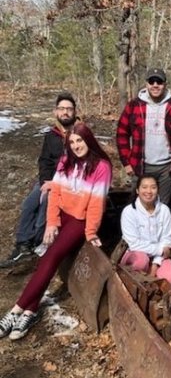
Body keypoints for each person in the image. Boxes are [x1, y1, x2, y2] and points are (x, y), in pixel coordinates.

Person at [0, 123, 112, 340]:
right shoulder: (65, 161)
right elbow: (55, 195)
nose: (76, 146)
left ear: (88, 139)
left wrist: (90, 233)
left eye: (79, 140)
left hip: (79, 219)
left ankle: (15, 310)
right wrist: (52, 222)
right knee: (46, 261)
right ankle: (30, 312)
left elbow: (97, 204)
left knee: (50, 257)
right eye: (72, 142)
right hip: (62, 215)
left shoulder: (102, 167)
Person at [0, 92, 77, 268]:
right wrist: (45, 181)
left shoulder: (79, 134)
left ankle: (38, 244)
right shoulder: (52, 135)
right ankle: (23, 244)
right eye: (62, 109)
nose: (65, 112)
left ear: (74, 112)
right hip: (50, 180)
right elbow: (44, 161)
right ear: (56, 112)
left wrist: (56, 184)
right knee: (30, 203)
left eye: (69, 109)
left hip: (70, 184)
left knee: (47, 203)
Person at [116, 67, 171, 204]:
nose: (155, 85)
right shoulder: (134, 106)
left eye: (159, 82)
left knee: (162, 207)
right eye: (151, 81)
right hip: (140, 165)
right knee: (137, 206)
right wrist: (126, 162)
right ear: (146, 84)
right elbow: (122, 134)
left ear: (164, 84)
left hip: (166, 168)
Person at [120, 175, 171, 285]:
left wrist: (155, 264)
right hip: (136, 254)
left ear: (158, 190)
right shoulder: (129, 212)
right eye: (144, 187)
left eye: (153, 187)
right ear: (137, 190)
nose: (149, 191)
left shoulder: (164, 211)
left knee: (170, 278)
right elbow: (134, 244)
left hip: (158, 257)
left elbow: (166, 241)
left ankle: (153, 288)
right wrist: (160, 250)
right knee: (141, 262)